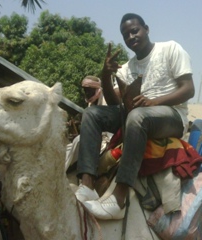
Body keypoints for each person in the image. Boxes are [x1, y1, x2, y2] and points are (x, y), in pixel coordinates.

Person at [75, 13, 195, 220]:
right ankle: (87, 185)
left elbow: (188, 89)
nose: (130, 36)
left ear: (146, 29)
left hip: (172, 116)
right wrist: (105, 75)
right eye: (125, 35)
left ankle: (119, 198)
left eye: (134, 30)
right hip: (137, 115)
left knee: (138, 116)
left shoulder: (170, 49)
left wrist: (154, 102)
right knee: (92, 113)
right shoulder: (126, 68)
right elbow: (114, 104)